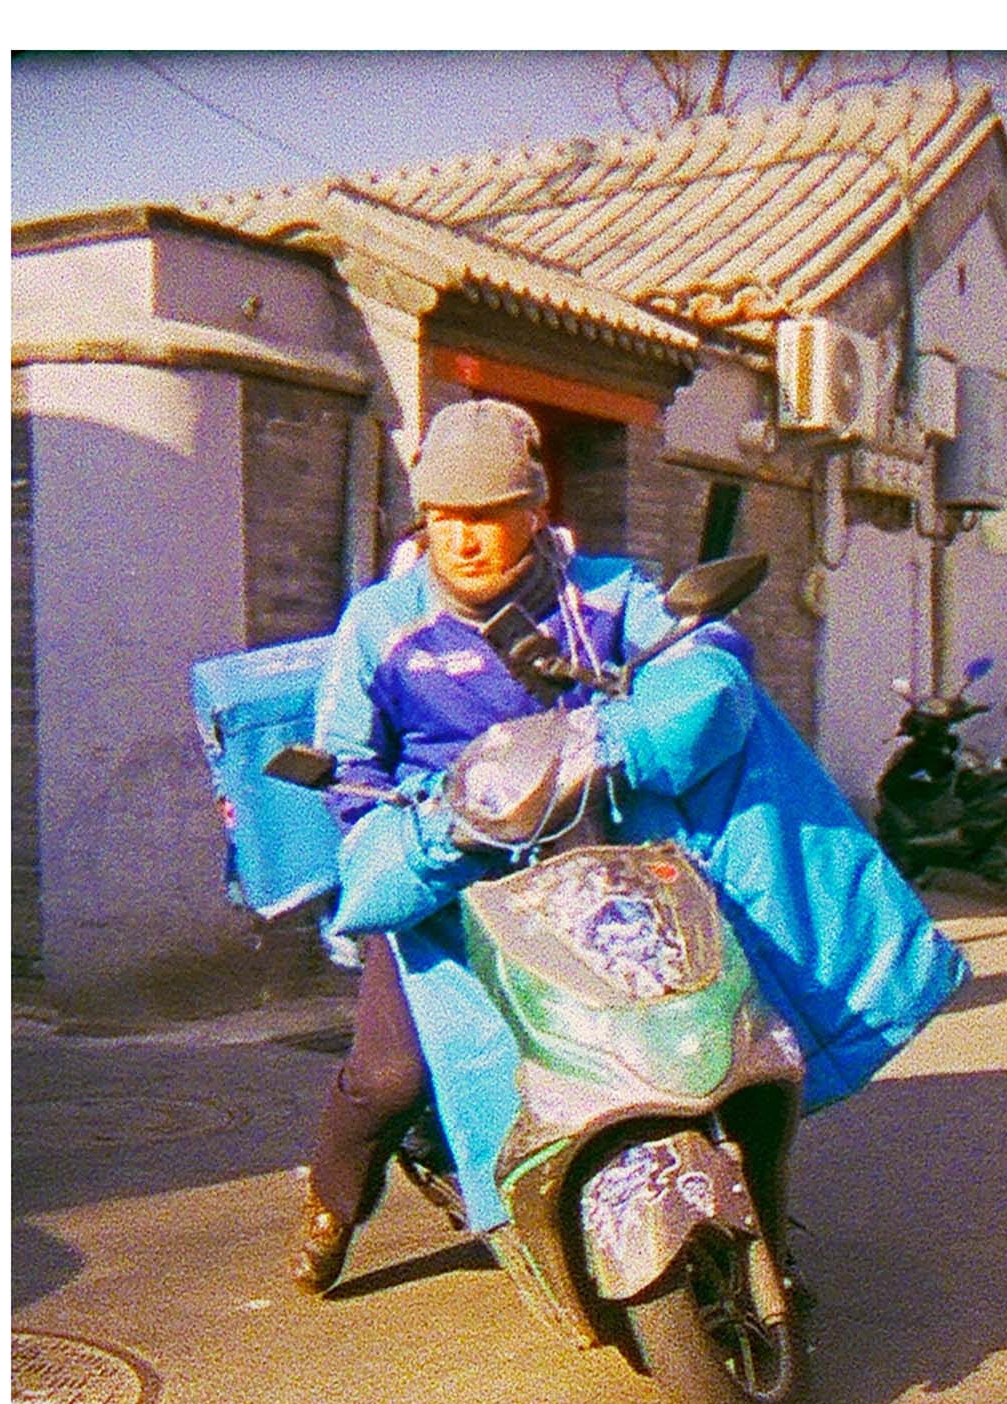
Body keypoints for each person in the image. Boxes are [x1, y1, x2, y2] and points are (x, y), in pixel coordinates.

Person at [290, 398, 967, 1293]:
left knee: (730, 1036)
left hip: (598, 864)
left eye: (487, 513)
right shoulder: (380, 623)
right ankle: (332, 1207)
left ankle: (763, 1236)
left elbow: (708, 672)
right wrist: (421, 837)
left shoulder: (608, 595)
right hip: (447, 873)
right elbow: (348, 773)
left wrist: (609, 741)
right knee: (391, 1075)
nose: (462, 538)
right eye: (443, 516)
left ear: (534, 508)